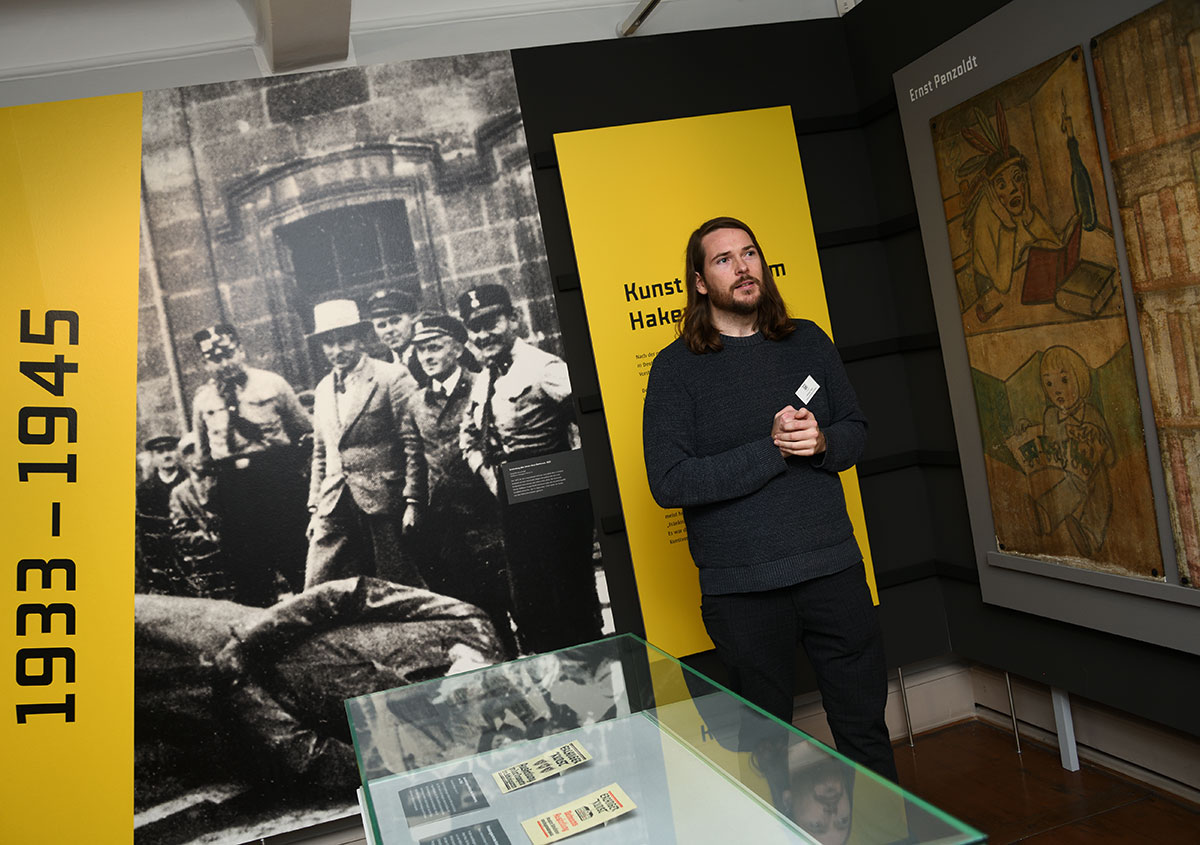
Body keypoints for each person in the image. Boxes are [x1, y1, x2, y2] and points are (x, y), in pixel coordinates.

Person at [642, 216, 897, 782]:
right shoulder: (674, 368)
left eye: (750, 253)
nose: (742, 266)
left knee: (864, 733)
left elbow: (855, 429)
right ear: (700, 281)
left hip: (833, 571)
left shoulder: (808, 341)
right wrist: (773, 451)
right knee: (767, 752)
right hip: (742, 593)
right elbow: (670, 482)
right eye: (724, 259)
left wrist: (824, 440)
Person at [457, 284, 602, 655]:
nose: (484, 334)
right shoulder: (485, 378)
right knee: (531, 600)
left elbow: (594, 420)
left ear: (513, 319)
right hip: (512, 495)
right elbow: (468, 437)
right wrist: (491, 479)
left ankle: (594, 680)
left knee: (567, 598)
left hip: (555, 493)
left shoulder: (543, 367)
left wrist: (578, 475)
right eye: (475, 327)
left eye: (492, 322)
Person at [408, 312, 516, 657]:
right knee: (473, 609)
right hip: (447, 524)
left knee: (513, 598)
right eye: (421, 350)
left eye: (434, 347)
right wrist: (413, 503)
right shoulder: (416, 402)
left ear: (456, 349)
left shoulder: (482, 386)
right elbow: (415, 458)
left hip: (488, 515)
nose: (427, 356)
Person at [305, 299, 427, 589]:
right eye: (328, 343)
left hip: (384, 500)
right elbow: (321, 453)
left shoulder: (390, 377)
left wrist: (414, 501)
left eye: (344, 341)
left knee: (396, 584)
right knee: (320, 583)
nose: (336, 351)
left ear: (361, 339)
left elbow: (413, 443)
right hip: (335, 502)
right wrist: (314, 508)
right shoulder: (322, 389)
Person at [191, 323, 312, 605]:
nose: (224, 363)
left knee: (296, 557)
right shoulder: (203, 400)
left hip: (276, 480)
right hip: (235, 489)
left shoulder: (272, 384)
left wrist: (298, 479)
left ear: (241, 351)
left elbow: (304, 433)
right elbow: (203, 457)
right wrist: (210, 500)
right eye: (215, 359)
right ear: (206, 364)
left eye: (229, 354)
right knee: (249, 567)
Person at [167, 432, 232, 598]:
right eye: (189, 453)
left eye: (199, 450)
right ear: (184, 459)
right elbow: (179, 534)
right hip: (208, 565)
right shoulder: (180, 493)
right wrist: (204, 538)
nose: (195, 457)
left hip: (238, 557)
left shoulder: (226, 481)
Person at [136, 430, 186, 592]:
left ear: (178, 452)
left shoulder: (189, 482)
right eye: (160, 452)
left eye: (170, 450)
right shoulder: (145, 490)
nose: (166, 455)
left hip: (189, 551)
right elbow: (147, 530)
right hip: (163, 557)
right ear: (153, 457)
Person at [364, 287, 427, 386]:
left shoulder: (428, 357)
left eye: (395, 321)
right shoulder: (380, 365)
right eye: (381, 325)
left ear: (413, 318)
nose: (389, 330)